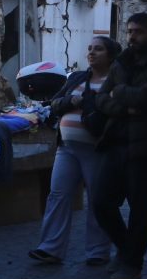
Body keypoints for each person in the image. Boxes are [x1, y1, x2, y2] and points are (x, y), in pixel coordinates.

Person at [92, 13, 147, 279]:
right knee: (101, 202)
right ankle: (127, 250)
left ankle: (132, 264)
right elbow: (101, 98)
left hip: (146, 148)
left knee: (140, 210)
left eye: (138, 32)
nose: (132, 37)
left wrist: (122, 95)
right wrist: (125, 104)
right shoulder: (120, 64)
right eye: (129, 31)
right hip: (115, 142)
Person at [28, 37, 119, 266]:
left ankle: (98, 251)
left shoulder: (117, 81)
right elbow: (55, 103)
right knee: (58, 195)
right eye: (89, 48)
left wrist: (95, 102)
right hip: (67, 148)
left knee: (97, 200)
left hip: (97, 149)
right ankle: (50, 248)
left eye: (98, 49)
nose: (91, 53)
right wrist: (73, 100)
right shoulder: (78, 77)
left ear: (110, 55)